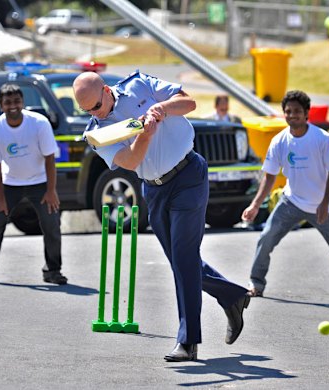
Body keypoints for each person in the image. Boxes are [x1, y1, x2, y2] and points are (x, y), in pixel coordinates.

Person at [73, 71, 250, 362]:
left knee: (183, 257)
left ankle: (188, 341)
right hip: (153, 189)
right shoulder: (96, 132)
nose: (95, 113)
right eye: (87, 110)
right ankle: (232, 296)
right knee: (181, 262)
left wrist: (162, 109)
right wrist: (145, 136)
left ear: (106, 90)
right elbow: (129, 161)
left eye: (96, 105)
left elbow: (188, 102)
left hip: (188, 174)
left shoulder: (139, 83)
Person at [241, 90, 329, 310]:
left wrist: (324, 203)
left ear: (306, 114)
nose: (292, 115)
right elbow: (269, 176)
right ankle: (256, 283)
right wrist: (255, 204)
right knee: (265, 238)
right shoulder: (279, 141)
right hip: (291, 202)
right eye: (288, 111)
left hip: (322, 206)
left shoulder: (321, 139)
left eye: (297, 111)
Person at [0, 83, 67, 285]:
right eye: (7, 103)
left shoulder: (39, 123)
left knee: (52, 223)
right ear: (1, 106)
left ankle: (52, 271)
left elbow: (50, 159)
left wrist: (51, 191)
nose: (13, 106)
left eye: (17, 101)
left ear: (23, 103)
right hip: (9, 183)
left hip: (40, 181)